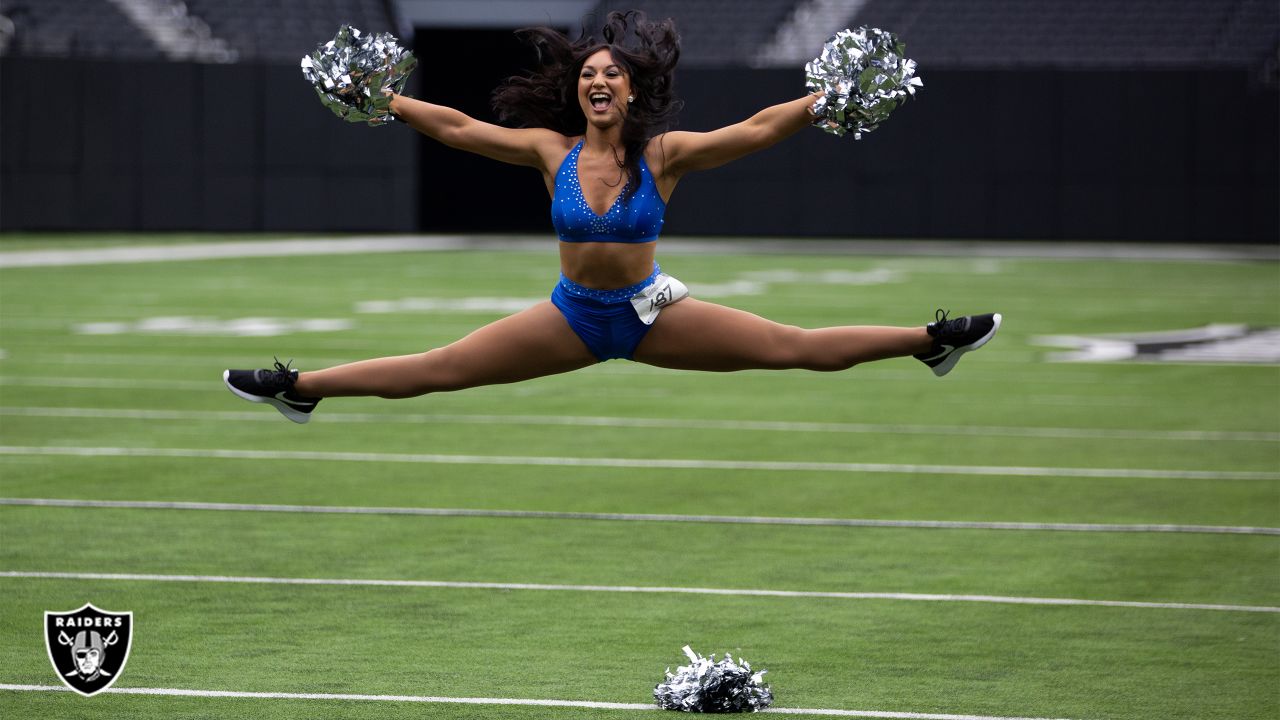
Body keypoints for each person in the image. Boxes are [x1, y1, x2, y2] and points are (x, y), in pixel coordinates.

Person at [224, 11, 1000, 424]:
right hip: (573, 317)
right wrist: (386, 101)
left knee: (790, 347)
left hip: (652, 314)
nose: (600, 82)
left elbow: (758, 128)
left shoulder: (664, 156)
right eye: (590, 75)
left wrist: (824, 99)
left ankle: (930, 342)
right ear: (578, 92)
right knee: (441, 368)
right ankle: (303, 388)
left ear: (631, 93)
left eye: (613, 76)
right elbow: (459, 127)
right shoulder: (547, 149)